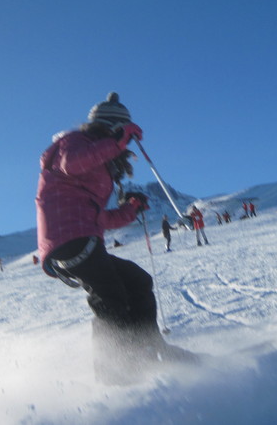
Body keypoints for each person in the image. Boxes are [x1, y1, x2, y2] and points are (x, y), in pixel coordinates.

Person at [36, 92, 195, 384]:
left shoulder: (94, 165)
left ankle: (149, 349)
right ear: (111, 128)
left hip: (80, 238)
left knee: (137, 280)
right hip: (68, 240)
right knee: (111, 297)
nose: (128, 146)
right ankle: (114, 375)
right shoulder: (73, 144)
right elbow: (73, 163)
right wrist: (118, 141)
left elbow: (99, 219)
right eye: (126, 137)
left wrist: (130, 210)